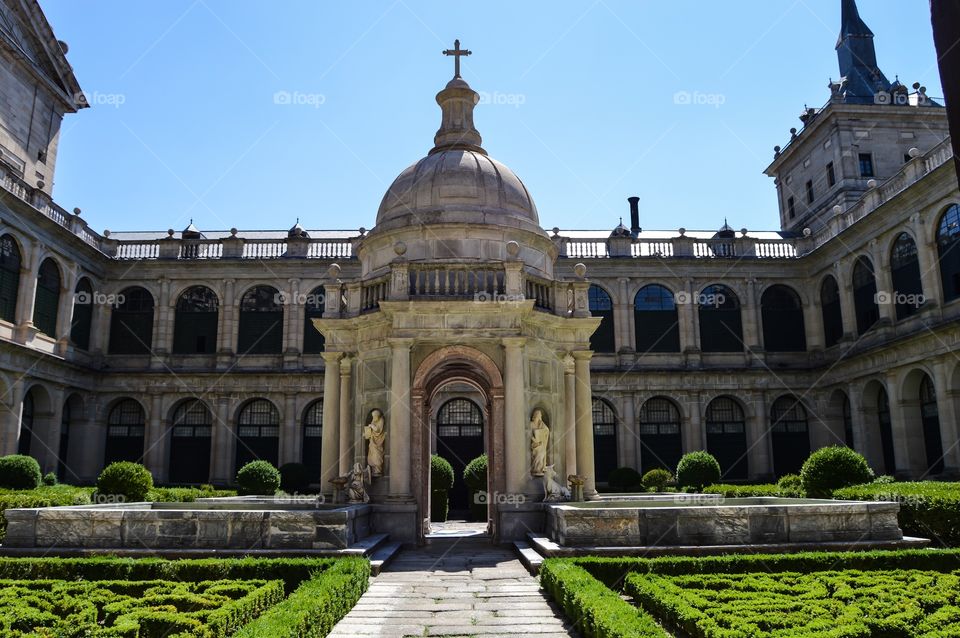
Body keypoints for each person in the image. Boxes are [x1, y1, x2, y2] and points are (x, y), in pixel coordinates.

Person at [363, 409, 386, 476]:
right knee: (371, 455)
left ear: (377, 415)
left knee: (377, 455)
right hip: (372, 441)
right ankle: (373, 469)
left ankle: (378, 470)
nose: (373, 417)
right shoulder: (374, 421)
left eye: (374, 416)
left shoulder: (381, 420)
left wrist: (372, 426)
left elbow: (378, 430)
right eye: (373, 416)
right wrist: (366, 433)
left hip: (378, 442)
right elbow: (371, 432)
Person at [530, 408, 549, 476]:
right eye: (538, 415)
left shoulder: (541, 424)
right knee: (539, 451)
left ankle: (539, 468)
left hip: (540, 444)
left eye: (540, 415)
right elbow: (529, 435)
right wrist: (535, 441)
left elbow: (546, 430)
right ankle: (536, 469)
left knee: (542, 451)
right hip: (533, 444)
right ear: (535, 415)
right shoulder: (531, 424)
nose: (540, 416)